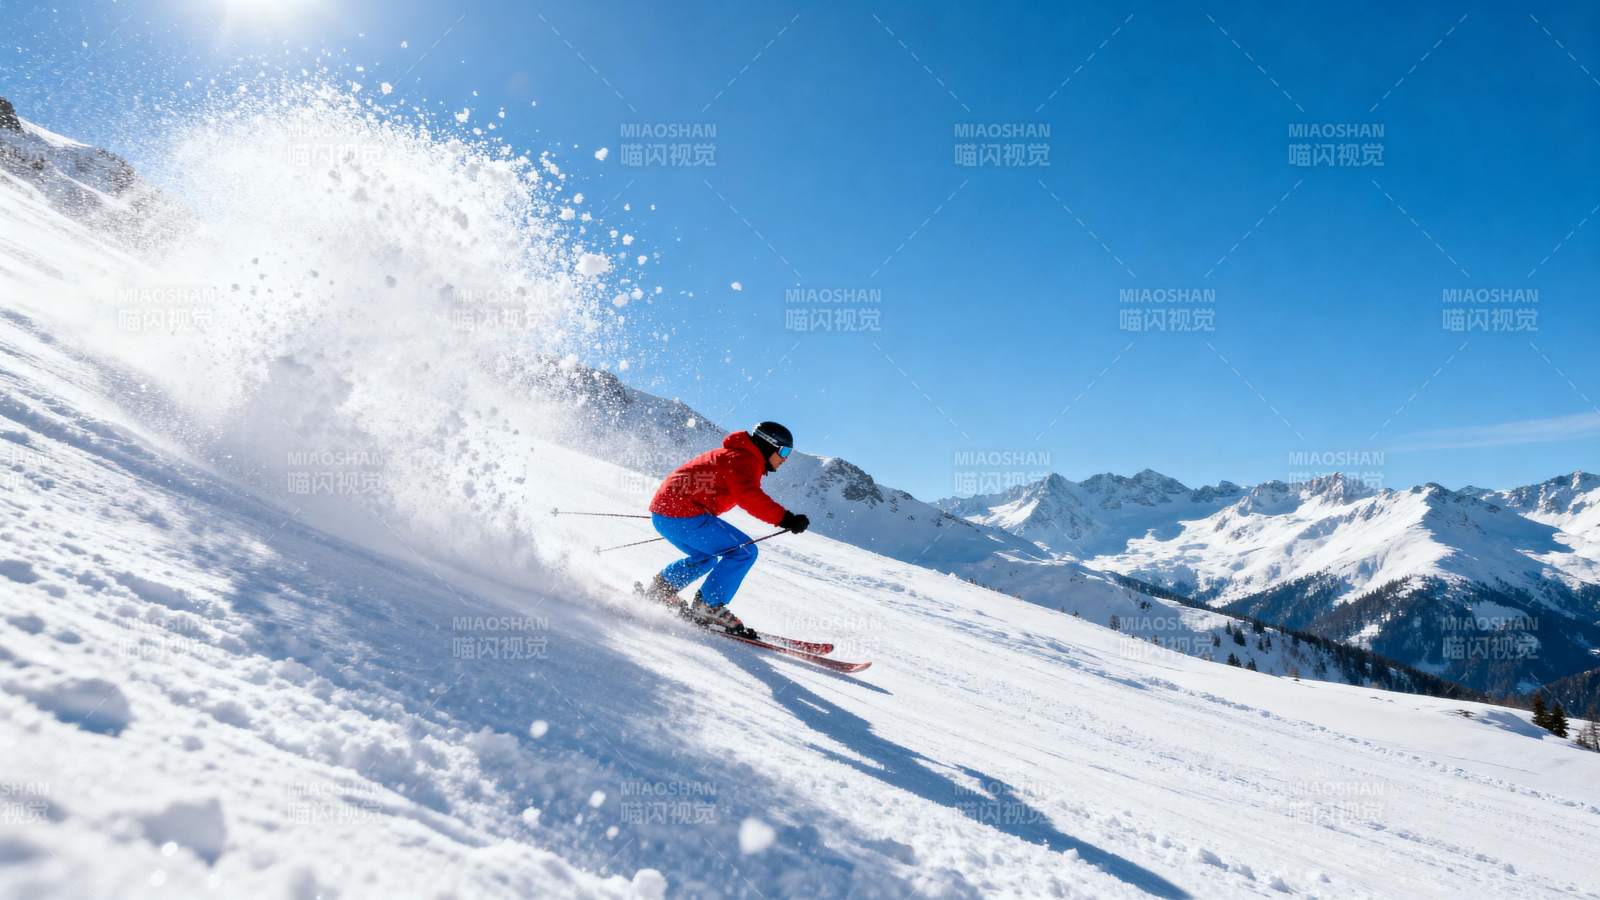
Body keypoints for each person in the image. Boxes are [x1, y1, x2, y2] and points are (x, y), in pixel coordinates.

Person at [643, 422, 810, 635]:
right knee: (744, 552)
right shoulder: (743, 459)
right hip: (683, 513)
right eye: (784, 451)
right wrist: (786, 519)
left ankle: (662, 590)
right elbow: (749, 496)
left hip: (666, 514)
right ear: (769, 445)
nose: (785, 458)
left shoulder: (735, 454)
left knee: (706, 556)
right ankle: (708, 607)